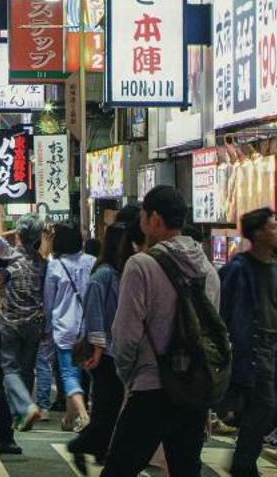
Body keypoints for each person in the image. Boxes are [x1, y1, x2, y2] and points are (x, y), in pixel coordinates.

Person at [97, 186, 215, 477]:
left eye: (143, 217)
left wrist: (129, 377)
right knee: (186, 470)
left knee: (118, 470)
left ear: (155, 219)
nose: (141, 224)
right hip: (193, 390)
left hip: (151, 387)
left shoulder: (142, 265)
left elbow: (125, 335)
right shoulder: (207, 269)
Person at [216, 208, 277, 477]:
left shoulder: (276, 269)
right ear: (258, 234)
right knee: (262, 404)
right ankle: (244, 463)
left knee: (264, 405)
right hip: (243, 349)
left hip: (267, 348)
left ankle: (244, 462)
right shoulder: (237, 269)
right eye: (272, 227)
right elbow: (222, 312)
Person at [67, 205, 143, 475]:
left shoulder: (121, 272)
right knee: (107, 408)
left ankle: (98, 451)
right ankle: (81, 446)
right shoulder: (103, 275)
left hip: (117, 351)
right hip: (105, 353)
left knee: (108, 408)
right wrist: (97, 347)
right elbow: (94, 313)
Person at [0, 220, 50, 429]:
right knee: (27, 369)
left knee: (9, 367)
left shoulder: (8, 258)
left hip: (8, 321)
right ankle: (24, 412)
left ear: (19, 235)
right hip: (34, 322)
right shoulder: (42, 262)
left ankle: (21, 408)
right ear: (37, 238)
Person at [45, 223, 95, 430]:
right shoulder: (91, 262)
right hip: (90, 326)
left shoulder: (55, 266)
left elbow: (48, 301)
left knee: (68, 373)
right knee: (88, 372)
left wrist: (46, 327)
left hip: (65, 326)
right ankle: (69, 417)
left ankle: (83, 415)